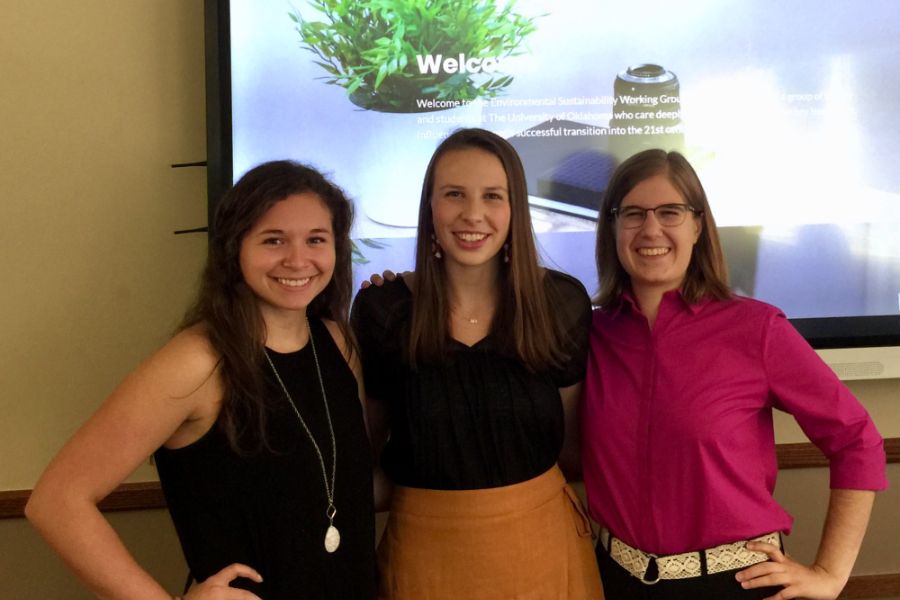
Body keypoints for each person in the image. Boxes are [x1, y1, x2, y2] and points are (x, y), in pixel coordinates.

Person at [26, 161, 376, 600]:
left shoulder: (338, 341)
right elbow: (56, 502)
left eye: (316, 240)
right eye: (273, 240)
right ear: (235, 249)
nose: (297, 259)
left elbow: (345, 484)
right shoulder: (197, 362)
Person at [581, 149, 887, 599]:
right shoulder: (589, 334)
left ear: (698, 226)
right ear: (612, 227)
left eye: (670, 212)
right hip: (613, 579)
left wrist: (829, 572)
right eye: (632, 214)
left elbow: (857, 439)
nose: (651, 229)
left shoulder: (756, 328)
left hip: (733, 584)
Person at [351, 128, 604, 599]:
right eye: (454, 195)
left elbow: (573, 450)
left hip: (543, 552)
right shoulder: (383, 311)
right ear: (430, 207)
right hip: (424, 560)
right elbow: (366, 454)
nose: (473, 214)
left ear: (515, 209)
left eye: (492, 196)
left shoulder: (561, 303)